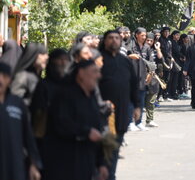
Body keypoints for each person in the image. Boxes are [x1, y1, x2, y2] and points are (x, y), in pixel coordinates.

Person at [44, 60, 109, 180]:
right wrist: (86, 132)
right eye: (94, 72)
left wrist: (101, 164)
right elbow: (61, 123)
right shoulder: (64, 94)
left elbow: (97, 128)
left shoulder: (92, 97)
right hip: (64, 162)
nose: (98, 76)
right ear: (81, 73)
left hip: (86, 161)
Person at [99, 30, 140, 180]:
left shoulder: (126, 62)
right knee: (101, 156)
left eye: (117, 38)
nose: (114, 41)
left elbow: (133, 85)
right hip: (101, 116)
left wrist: (137, 106)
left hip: (121, 114)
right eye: (110, 38)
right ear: (105, 41)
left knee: (114, 152)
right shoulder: (98, 60)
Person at [0, 62, 42, 180]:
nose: (0, 79)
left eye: (4, 76)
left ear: (10, 80)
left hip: (15, 166)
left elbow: (28, 136)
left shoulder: (17, 103)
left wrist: (34, 164)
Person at [128, 27, 153, 131]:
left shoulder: (147, 47)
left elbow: (151, 63)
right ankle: (130, 122)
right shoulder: (130, 45)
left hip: (143, 77)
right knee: (131, 101)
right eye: (142, 35)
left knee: (141, 101)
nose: (144, 37)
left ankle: (139, 122)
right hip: (131, 77)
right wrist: (130, 56)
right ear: (136, 35)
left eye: (145, 35)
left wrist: (150, 74)